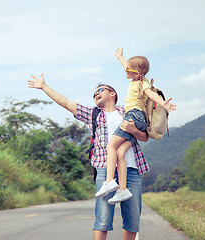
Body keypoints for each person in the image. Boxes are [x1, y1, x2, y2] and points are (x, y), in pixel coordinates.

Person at [28, 73, 149, 240]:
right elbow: (65, 103)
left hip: (132, 170)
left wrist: (133, 130)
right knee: (103, 218)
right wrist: (43, 86)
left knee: (133, 220)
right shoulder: (93, 114)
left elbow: (144, 137)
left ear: (112, 93)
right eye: (94, 94)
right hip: (104, 170)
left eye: (100, 90)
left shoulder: (127, 111)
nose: (96, 94)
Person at [95, 48, 176, 205]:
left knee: (110, 146)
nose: (126, 70)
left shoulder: (142, 83)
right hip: (138, 119)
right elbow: (126, 67)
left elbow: (151, 94)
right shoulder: (135, 79)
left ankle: (110, 181)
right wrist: (121, 58)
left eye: (129, 68)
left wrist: (163, 103)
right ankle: (123, 190)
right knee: (120, 152)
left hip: (133, 116)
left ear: (138, 73)